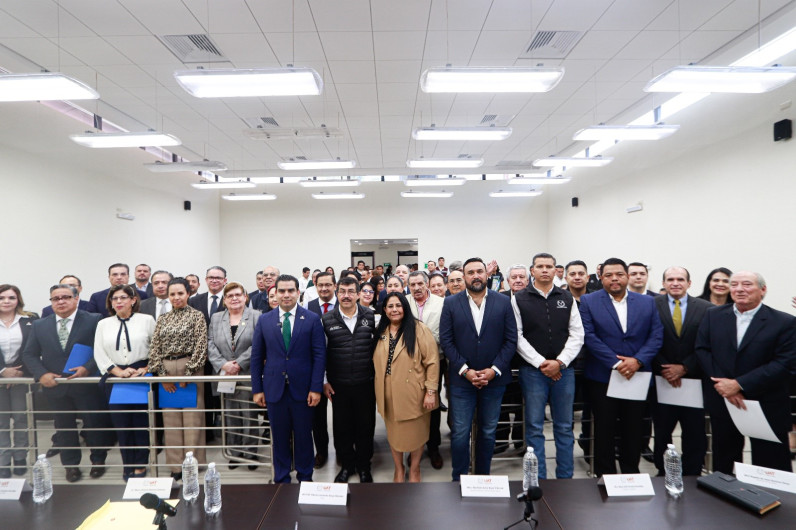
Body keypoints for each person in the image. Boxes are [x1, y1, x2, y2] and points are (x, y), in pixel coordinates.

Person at [696, 271, 796, 473]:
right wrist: (724, 385)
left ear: (763, 289)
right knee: (724, 464)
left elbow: (784, 363)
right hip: (724, 401)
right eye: (734, 284)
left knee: (771, 465)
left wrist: (738, 385)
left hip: (766, 402)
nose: (739, 289)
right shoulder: (713, 315)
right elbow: (702, 350)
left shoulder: (784, 322)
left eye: (747, 284)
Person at [578, 258, 663, 476]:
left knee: (633, 429)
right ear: (600, 278)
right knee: (604, 429)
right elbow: (589, 336)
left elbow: (655, 336)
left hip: (636, 375)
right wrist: (617, 363)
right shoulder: (588, 301)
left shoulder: (647, 302)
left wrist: (637, 361)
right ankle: (605, 476)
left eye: (619, 274)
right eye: (608, 275)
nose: (614, 279)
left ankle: (630, 474)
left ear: (627, 276)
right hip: (603, 376)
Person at [23, 284, 113, 483]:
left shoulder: (93, 319)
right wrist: (41, 374)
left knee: (94, 425)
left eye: (66, 297)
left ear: (76, 298)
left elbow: (103, 349)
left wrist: (88, 367)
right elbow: (29, 354)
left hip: (86, 384)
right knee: (64, 428)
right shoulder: (40, 325)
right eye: (56, 298)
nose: (61, 301)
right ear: (51, 302)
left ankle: (98, 461)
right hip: (55, 386)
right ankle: (71, 466)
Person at [440, 258, 517, 481]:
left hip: (494, 380)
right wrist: (465, 370)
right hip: (462, 381)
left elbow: (511, 340)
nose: (475, 276)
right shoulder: (451, 303)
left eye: (479, 271)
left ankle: (483, 478)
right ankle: (459, 479)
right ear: (464, 276)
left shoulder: (503, 302)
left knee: (488, 431)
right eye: (470, 272)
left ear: (487, 274)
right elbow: (447, 341)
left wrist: (494, 369)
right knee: (460, 433)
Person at [513, 254, 584, 479]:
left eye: (549, 266)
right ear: (532, 271)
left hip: (564, 371)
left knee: (564, 426)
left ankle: (565, 478)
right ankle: (538, 479)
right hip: (532, 372)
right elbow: (517, 335)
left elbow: (577, 333)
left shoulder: (567, 297)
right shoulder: (519, 298)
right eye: (540, 266)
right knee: (534, 428)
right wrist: (541, 363)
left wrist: (560, 362)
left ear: (556, 270)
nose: (545, 270)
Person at [251, 274, 326, 483]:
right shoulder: (265, 320)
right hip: (274, 390)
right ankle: (282, 478)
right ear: (275, 293)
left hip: (303, 390)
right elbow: (256, 357)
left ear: (298, 292)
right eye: (281, 291)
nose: (286, 295)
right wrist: (257, 389)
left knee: (303, 436)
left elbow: (319, 356)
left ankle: (305, 477)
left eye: (290, 290)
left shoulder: (311, 319)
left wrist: (316, 388)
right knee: (279, 437)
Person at [651, 267, 711, 476]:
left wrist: (685, 367)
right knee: (662, 430)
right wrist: (665, 368)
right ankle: (664, 471)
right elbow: (646, 338)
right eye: (670, 279)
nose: (675, 283)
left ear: (689, 283)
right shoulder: (651, 305)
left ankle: (693, 472)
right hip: (662, 378)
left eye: (680, 279)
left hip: (693, 379)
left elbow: (708, 343)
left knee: (694, 431)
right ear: (663, 283)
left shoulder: (706, 308)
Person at [374, 292, 439, 482]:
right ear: (384, 310)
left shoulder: (419, 329)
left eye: (398, 305)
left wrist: (431, 391)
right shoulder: (381, 331)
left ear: (405, 307)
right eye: (390, 306)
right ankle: (399, 468)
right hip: (387, 392)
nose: (394, 310)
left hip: (413, 393)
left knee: (416, 434)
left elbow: (432, 362)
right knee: (394, 434)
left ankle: (415, 468)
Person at [147, 277, 208, 480]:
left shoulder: (197, 316)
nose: (176, 297)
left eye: (180, 293)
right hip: (166, 369)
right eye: (172, 294)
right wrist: (162, 376)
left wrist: (188, 373)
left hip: (190, 366)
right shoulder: (163, 318)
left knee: (192, 419)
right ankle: (175, 466)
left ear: (188, 294)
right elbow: (154, 348)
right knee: (170, 419)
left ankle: (192, 464)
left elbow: (201, 346)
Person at [93, 284, 155, 481]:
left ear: (133, 300)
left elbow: (157, 347)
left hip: (141, 375)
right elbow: (99, 352)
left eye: (123, 298)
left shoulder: (147, 320)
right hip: (115, 377)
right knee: (122, 425)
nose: (118, 301)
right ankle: (127, 464)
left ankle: (140, 464)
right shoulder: (103, 324)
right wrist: (118, 372)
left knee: (141, 423)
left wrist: (147, 368)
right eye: (114, 299)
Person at [322, 277, 378, 483]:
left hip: (365, 383)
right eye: (342, 291)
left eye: (351, 291)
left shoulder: (370, 317)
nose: (346, 296)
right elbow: (321, 353)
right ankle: (346, 466)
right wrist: (324, 381)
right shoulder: (327, 320)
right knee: (342, 427)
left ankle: (364, 466)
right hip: (339, 385)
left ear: (358, 294)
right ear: (337, 294)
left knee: (366, 426)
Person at [207, 282, 261, 470]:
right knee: (230, 415)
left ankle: (251, 452)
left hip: (247, 373)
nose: (234, 298)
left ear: (245, 297)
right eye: (230, 296)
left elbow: (259, 344)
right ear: (224, 300)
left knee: (249, 415)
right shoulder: (216, 318)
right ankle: (234, 453)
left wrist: (238, 363)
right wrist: (223, 364)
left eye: (238, 294)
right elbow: (210, 344)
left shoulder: (256, 316)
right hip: (224, 375)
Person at [407, 271, 446, 470]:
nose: (416, 288)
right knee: (413, 405)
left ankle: (433, 447)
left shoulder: (442, 303)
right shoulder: (404, 302)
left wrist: (425, 344)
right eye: (412, 285)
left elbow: (444, 332)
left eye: (420, 284)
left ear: (427, 284)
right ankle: (414, 446)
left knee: (433, 404)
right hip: (409, 364)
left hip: (435, 360)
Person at [0, 285, 37, 478]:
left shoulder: (30, 320)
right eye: (2, 298)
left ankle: (21, 456)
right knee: (1, 421)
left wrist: (18, 373)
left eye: (11, 298)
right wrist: (3, 371)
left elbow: (35, 347)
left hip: (22, 376)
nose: (6, 301)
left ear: (18, 300)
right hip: (0, 376)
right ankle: (4, 460)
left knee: (22, 418)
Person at [306, 272, 336, 468]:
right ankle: (322, 452)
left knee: (342, 416)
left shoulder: (343, 303)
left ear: (334, 286)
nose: (324, 288)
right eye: (320, 285)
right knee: (317, 418)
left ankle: (343, 451)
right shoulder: (309, 307)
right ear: (315, 286)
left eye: (328, 285)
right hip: (317, 370)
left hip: (339, 369)